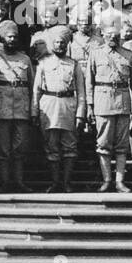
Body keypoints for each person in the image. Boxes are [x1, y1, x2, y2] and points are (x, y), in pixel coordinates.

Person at [85, 9, 132, 192]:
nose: (112, 38)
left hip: (123, 101)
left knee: (122, 145)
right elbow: (89, 82)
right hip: (102, 102)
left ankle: (119, 181)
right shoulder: (95, 53)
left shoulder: (129, 55)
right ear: (103, 34)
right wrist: (90, 106)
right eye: (109, 35)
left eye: (115, 35)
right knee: (103, 144)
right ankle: (107, 179)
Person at [0, 20, 35, 191]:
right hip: (1, 108)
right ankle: (5, 182)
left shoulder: (25, 59)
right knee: (3, 148)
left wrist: (33, 110)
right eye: (9, 37)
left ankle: (19, 182)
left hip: (22, 108)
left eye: (15, 37)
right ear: (3, 39)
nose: (12, 40)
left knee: (21, 147)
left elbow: (33, 87)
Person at [31, 25, 87, 192]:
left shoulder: (74, 65)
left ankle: (66, 182)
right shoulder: (43, 63)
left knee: (70, 146)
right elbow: (36, 90)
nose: (60, 46)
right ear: (51, 44)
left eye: (63, 43)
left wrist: (80, 115)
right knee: (51, 146)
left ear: (67, 44)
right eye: (56, 42)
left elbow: (81, 92)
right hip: (48, 106)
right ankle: (55, 182)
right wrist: (34, 112)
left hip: (68, 105)